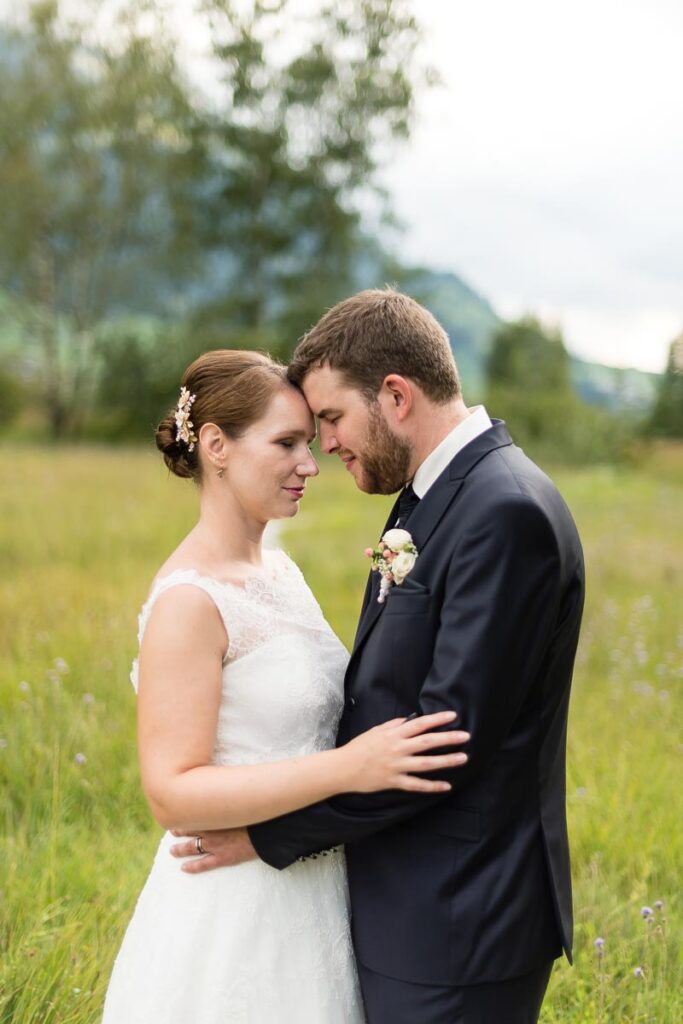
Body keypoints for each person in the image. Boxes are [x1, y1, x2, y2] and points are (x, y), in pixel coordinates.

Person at [171, 291, 586, 1024]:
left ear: (395, 395)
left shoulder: (503, 510)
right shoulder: (434, 497)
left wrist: (266, 835)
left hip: (459, 922)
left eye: (331, 418)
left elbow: (440, 747)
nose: (325, 447)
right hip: (410, 906)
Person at [101, 348, 470, 1024]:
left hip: (315, 890)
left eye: (310, 441)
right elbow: (172, 792)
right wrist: (349, 768)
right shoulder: (189, 602)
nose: (311, 463)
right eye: (286, 443)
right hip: (234, 910)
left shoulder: (279, 571)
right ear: (216, 446)